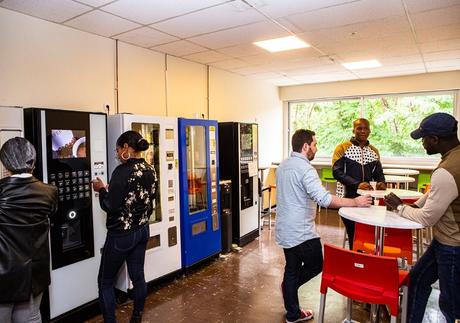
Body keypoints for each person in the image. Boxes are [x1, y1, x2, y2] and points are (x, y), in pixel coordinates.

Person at [276, 129, 372, 323]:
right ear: (305, 147)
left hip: (285, 228)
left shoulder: (283, 166)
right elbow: (324, 199)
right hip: (301, 231)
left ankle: (292, 311)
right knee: (316, 264)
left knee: (292, 268)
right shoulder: (305, 169)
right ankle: (289, 288)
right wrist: (355, 202)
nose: (316, 148)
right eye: (314, 144)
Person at [384, 113, 460, 323]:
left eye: (424, 138)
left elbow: (426, 218)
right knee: (416, 280)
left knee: (452, 305)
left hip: (453, 246)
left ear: (435, 139)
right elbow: (437, 194)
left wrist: (400, 208)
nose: (422, 143)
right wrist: (412, 206)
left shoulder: (446, 170)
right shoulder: (454, 157)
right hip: (443, 241)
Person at [92, 131, 157, 323]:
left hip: (121, 235)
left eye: (118, 149)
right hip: (142, 230)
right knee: (138, 276)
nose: (117, 152)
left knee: (105, 282)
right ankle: (136, 317)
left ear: (126, 148)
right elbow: (148, 199)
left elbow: (110, 205)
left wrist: (101, 189)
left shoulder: (122, 172)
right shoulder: (149, 169)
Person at [0, 137, 58, 323]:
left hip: (4, 275)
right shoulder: (50, 191)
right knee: (31, 318)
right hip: (35, 273)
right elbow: (52, 215)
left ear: (5, 163)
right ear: (33, 160)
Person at [332, 118, 386, 249]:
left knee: (366, 233)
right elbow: (337, 172)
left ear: (369, 131)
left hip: (368, 200)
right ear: (353, 130)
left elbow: (379, 174)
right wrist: (357, 184)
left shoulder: (373, 151)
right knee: (354, 234)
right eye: (359, 128)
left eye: (365, 128)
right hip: (347, 198)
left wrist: (381, 183)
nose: (362, 131)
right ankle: (355, 259)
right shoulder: (343, 148)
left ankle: (364, 260)